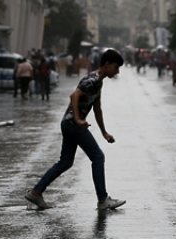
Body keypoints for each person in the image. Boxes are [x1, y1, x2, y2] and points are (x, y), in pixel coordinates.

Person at [24, 49, 126, 212]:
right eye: (116, 67)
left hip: (68, 124)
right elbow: (74, 95)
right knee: (98, 157)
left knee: (65, 162)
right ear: (107, 65)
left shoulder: (98, 82)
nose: (117, 71)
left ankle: (36, 193)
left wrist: (104, 132)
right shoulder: (92, 80)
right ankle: (102, 199)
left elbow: (97, 109)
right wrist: (78, 119)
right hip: (73, 124)